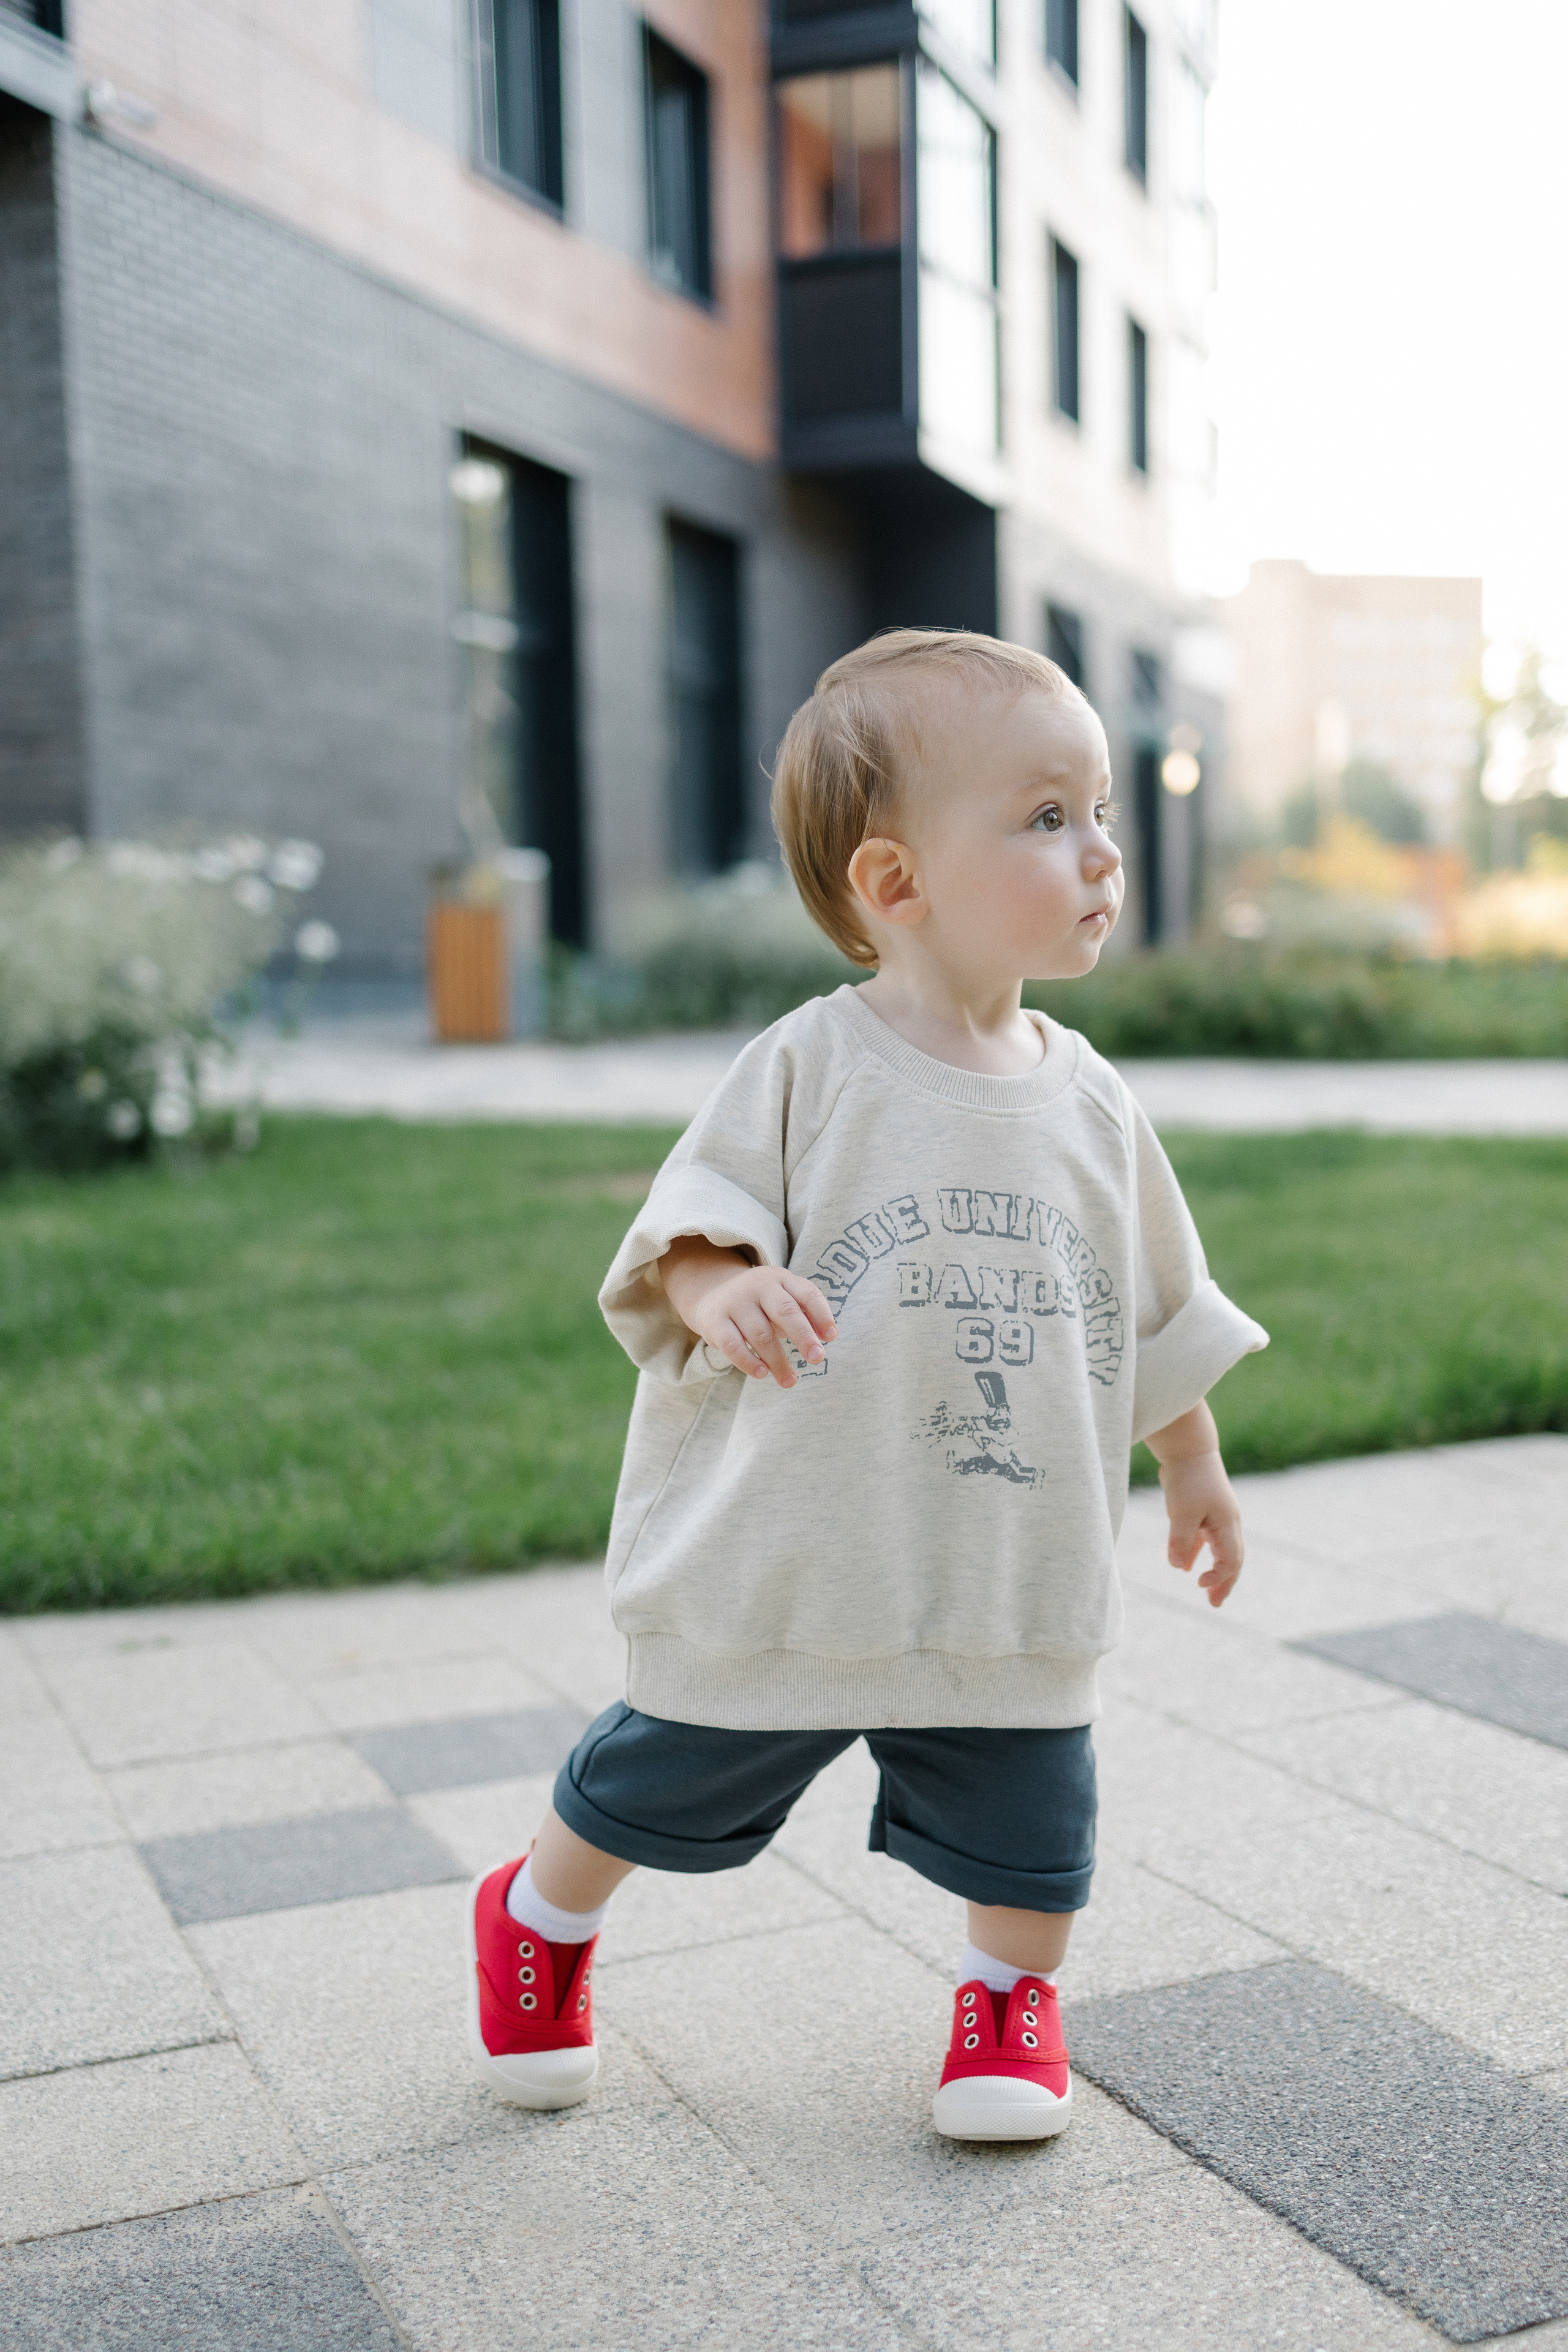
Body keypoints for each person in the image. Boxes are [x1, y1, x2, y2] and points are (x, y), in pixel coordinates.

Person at [464, 628, 1268, 2141]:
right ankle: (540, 1916)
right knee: (666, 1765)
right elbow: (681, 1241)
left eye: (1096, 811)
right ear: (894, 884)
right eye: (1045, 818)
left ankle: (1007, 2004)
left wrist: (1192, 1464)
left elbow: (1153, 1309)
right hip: (797, 1545)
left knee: (1034, 1809)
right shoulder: (808, 1067)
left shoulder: (1091, 1101)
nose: (1098, 851)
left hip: (997, 1558)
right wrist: (728, 1283)